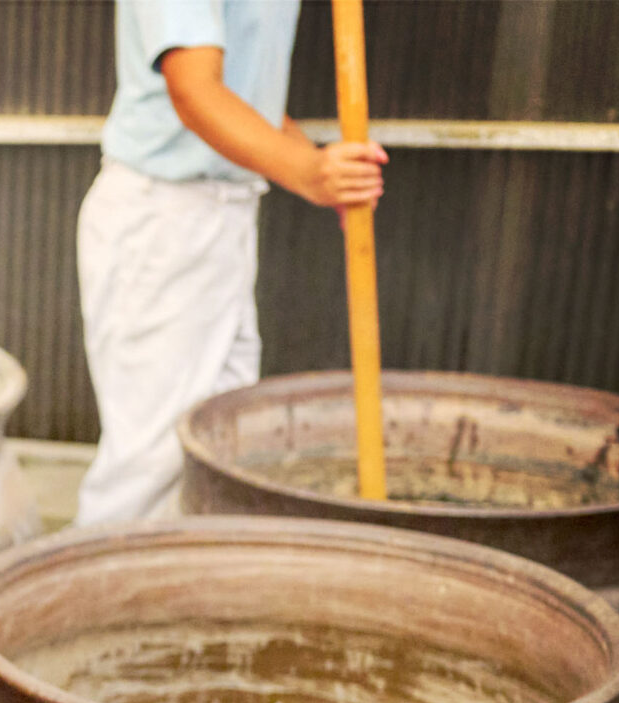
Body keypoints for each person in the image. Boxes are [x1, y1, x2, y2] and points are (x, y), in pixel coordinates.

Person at [75, 0, 387, 524]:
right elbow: (195, 91)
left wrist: (319, 169)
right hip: (166, 219)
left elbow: (248, 100)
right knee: (150, 467)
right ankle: (93, 577)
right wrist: (308, 171)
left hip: (220, 216)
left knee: (215, 450)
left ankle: (181, 577)